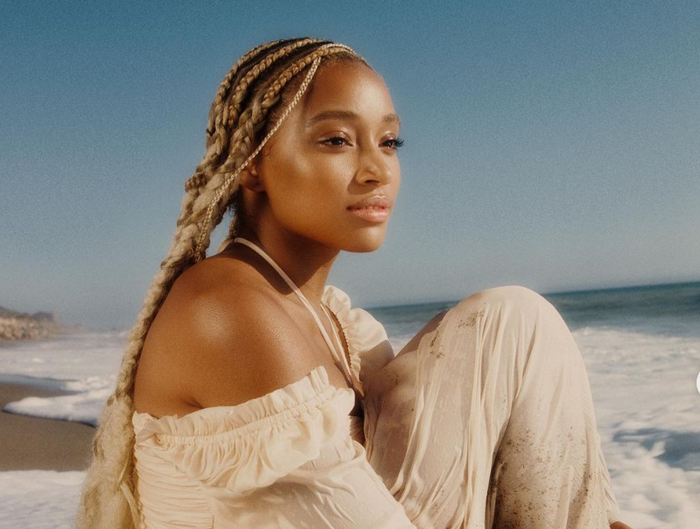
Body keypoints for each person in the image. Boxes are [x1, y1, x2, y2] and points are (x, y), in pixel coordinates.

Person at [76, 37, 634, 528]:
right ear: (252, 163)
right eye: (337, 140)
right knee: (514, 321)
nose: (377, 169)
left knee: (515, 320)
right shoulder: (226, 309)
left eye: (389, 142)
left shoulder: (338, 320)